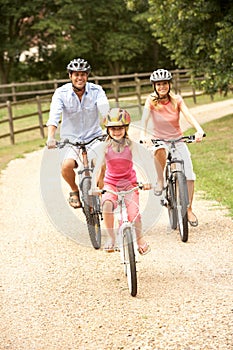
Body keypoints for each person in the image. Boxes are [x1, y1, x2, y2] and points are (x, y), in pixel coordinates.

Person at [140, 68, 205, 227]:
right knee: (160, 150)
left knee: (189, 174)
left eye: (165, 84)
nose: (162, 87)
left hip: (178, 139)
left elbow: (188, 116)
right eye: (158, 84)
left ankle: (188, 209)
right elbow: (144, 120)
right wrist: (143, 136)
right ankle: (161, 179)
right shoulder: (151, 101)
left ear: (169, 84)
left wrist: (199, 130)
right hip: (160, 140)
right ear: (154, 86)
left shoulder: (177, 100)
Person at [46, 58, 110, 209]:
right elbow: (54, 117)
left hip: (94, 136)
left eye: (83, 74)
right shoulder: (61, 93)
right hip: (71, 139)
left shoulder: (96, 91)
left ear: (87, 76)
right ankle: (74, 190)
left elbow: (105, 110)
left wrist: (109, 127)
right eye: (76, 74)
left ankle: (101, 193)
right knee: (67, 165)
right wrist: (50, 137)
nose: (79, 78)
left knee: (102, 164)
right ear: (70, 76)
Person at [91, 108, 151, 254]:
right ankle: (111, 238)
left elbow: (142, 164)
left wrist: (147, 180)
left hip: (129, 184)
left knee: (134, 214)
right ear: (108, 130)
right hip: (111, 184)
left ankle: (140, 239)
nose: (116, 132)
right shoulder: (105, 147)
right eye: (113, 129)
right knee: (106, 206)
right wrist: (94, 185)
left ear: (126, 129)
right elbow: (98, 167)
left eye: (120, 129)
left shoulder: (131, 146)